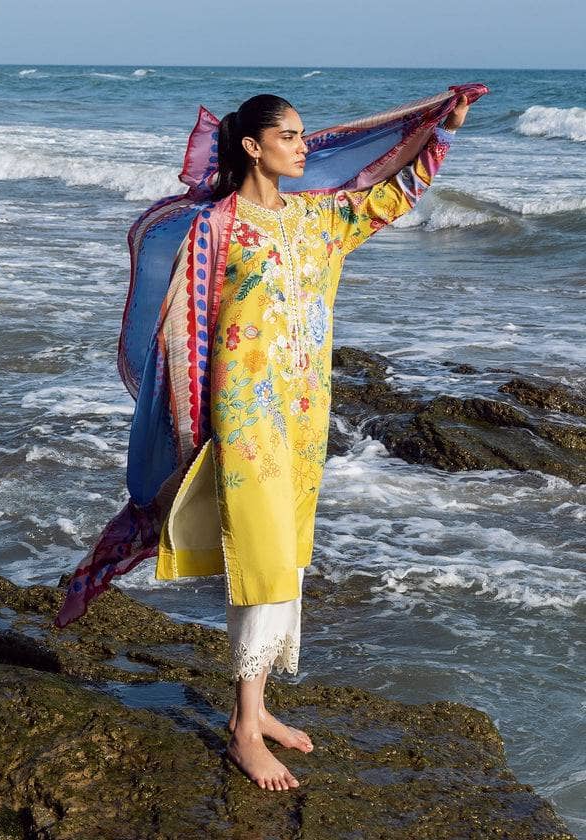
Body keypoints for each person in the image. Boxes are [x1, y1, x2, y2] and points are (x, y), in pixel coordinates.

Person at [173, 91, 471, 791]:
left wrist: (441, 136)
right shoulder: (215, 228)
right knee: (264, 557)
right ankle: (246, 728)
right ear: (252, 145)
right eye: (290, 135)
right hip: (244, 414)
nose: (304, 147)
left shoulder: (320, 219)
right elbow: (179, 334)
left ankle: (260, 707)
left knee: (289, 556)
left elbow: (393, 196)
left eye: (306, 136)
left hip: (304, 416)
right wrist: (187, 432)